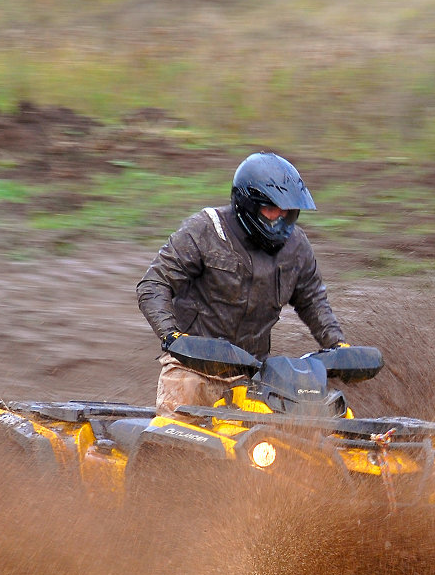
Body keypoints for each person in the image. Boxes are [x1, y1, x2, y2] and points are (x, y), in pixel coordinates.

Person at [137, 153, 346, 418]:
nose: (280, 219)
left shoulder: (297, 246)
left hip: (254, 373)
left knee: (301, 432)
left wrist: (337, 344)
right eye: (271, 210)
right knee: (178, 435)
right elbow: (153, 284)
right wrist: (172, 336)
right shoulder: (205, 230)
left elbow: (313, 299)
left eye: (287, 212)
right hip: (193, 366)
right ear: (248, 205)